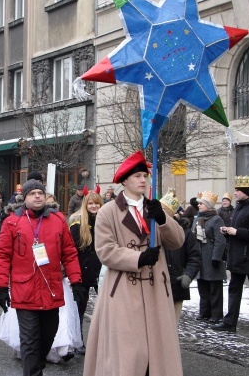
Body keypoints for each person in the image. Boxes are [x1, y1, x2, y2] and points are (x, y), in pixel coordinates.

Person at [83, 151, 185, 376]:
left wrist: (163, 220)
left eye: (145, 176)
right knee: (128, 356)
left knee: (157, 356)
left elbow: (177, 241)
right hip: (123, 292)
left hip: (156, 291)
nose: (142, 180)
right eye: (137, 176)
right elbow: (105, 250)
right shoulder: (108, 211)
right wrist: (138, 258)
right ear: (125, 180)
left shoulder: (154, 208)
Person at [0, 179, 82, 376]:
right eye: (32, 193)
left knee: (48, 337)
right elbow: (2, 255)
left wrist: (76, 281)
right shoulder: (12, 222)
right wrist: (1, 287)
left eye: (40, 193)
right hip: (24, 291)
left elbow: (69, 253)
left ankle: (37, 365)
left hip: (51, 290)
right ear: (25, 198)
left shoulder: (58, 219)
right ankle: (33, 371)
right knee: (30, 340)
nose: (37, 196)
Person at [212, 176, 249, 335]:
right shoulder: (239, 207)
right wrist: (229, 232)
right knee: (234, 290)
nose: (234, 193)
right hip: (237, 256)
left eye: (238, 190)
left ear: (246, 192)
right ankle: (230, 322)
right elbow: (239, 230)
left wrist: (237, 232)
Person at [69, 191, 103, 355]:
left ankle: (104, 342)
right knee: (79, 309)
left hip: (101, 271)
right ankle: (78, 341)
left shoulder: (105, 222)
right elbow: (72, 250)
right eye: (90, 203)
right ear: (85, 205)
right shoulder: (77, 223)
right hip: (82, 271)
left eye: (96, 203)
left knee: (106, 308)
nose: (94, 206)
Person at [162, 190, 201, 328]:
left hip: (176, 286)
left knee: (171, 327)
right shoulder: (153, 232)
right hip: (157, 287)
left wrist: (188, 274)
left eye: (164, 210)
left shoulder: (185, 233)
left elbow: (194, 257)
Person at [193, 191, 226, 323]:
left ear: (208, 206)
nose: (199, 205)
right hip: (200, 258)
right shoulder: (197, 219)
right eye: (199, 203)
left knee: (214, 289)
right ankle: (204, 312)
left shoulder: (217, 219)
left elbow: (220, 240)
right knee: (203, 288)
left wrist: (216, 258)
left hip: (212, 258)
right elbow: (192, 237)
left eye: (201, 203)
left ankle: (216, 314)